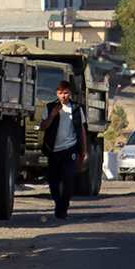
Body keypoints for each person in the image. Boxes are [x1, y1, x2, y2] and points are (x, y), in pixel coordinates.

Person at [37, 80, 87, 220]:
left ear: (70, 93)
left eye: (66, 93)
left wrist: (83, 149)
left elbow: (81, 129)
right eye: (60, 93)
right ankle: (58, 203)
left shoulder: (77, 108)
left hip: (70, 148)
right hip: (54, 150)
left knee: (68, 179)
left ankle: (63, 209)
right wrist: (52, 115)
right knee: (53, 181)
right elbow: (43, 127)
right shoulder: (50, 107)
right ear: (56, 94)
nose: (63, 96)